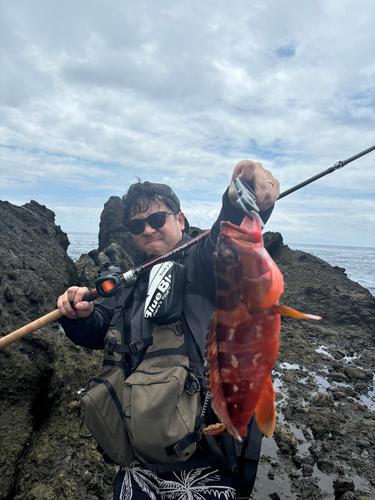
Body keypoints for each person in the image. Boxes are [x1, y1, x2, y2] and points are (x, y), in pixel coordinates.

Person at [57, 160, 280, 500]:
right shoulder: (128, 284)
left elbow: (226, 245)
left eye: (156, 219)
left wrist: (240, 200)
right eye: (136, 225)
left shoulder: (201, 265)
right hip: (137, 461)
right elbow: (98, 333)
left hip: (202, 463)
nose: (147, 229)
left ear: (180, 219)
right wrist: (79, 316)